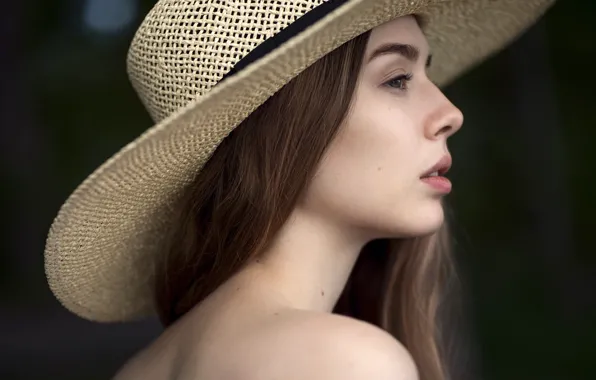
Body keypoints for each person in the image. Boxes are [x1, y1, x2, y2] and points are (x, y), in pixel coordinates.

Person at [44, 1, 556, 379]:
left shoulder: (139, 370)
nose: (450, 114)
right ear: (290, 123)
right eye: (397, 78)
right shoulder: (347, 364)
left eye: (428, 72)